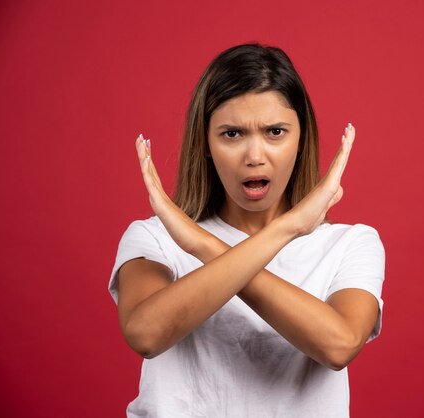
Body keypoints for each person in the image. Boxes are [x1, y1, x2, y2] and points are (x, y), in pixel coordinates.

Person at [109, 43, 385, 418]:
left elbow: (339, 345)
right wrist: (288, 228)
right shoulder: (156, 238)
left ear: (301, 139)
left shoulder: (350, 244)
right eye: (232, 134)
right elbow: (145, 334)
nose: (255, 156)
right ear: (205, 143)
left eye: (275, 131)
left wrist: (204, 245)